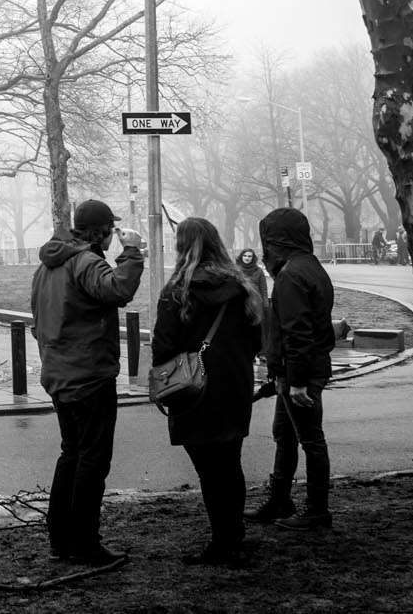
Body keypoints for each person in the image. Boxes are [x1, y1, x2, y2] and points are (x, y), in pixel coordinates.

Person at [30, 198, 145, 566]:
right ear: (99, 232)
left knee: (72, 454)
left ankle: (60, 540)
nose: (113, 236)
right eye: (111, 231)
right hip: (90, 374)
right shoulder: (86, 261)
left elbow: (37, 320)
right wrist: (132, 251)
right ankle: (85, 543)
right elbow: (117, 291)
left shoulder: (48, 266)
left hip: (60, 373)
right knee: (93, 460)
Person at [150, 218, 264, 567]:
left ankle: (223, 542)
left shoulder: (176, 291)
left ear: (183, 247)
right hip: (235, 386)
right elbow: (257, 340)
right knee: (230, 464)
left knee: (209, 471)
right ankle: (233, 534)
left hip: (194, 390)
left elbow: (162, 346)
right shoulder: (242, 287)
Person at [253, 206, 336, 532]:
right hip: (301, 369)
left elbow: (296, 332)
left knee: (309, 440)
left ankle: (316, 511)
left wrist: (296, 382)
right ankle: (280, 502)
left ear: (274, 240)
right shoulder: (311, 268)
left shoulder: (290, 275)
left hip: (298, 372)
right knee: (285, 436)